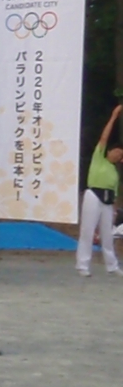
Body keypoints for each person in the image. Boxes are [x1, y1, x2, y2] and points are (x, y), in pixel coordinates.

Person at [75, 104, 123, 277]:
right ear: (109, 151)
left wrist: (115, 207)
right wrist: (114, 116)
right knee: (87, 231)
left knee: (107, 235)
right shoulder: (99, 158)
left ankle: (112, 265)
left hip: (108, 201)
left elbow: (115, 191)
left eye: (120, 155)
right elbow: (104, 137)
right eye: (115, 152)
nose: (116, 155)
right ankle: (82, 265)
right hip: (93, 195)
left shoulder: (114, 172)